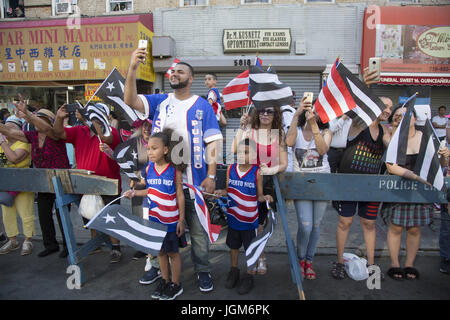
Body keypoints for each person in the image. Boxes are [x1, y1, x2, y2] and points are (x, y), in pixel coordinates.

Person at [124, 49, 223, 292]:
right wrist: (132, 69)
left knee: (198, 233)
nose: (175, 73)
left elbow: (214, 142)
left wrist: (211, 176)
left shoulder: (202, 106)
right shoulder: (161, 102)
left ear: (190, 79)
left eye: (181, 71)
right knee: (158, 230)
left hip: (194, 182)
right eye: (173, 71)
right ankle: (158, 269)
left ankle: (203, 270)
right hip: (162, 183)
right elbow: (130, 100)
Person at [30, 103, 123, 263]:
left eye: (94, 113)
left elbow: (106, 138)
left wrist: (93, 118)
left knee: (110, 217)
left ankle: (115, 248)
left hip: (108, 183)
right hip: (85, 183)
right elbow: (58, 133)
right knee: (89, 215)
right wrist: (59, 117)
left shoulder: (110, 131)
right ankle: (96, 244)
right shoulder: (80, 131)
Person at [382, 107, 449, 280]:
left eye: (406, 115)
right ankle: (395, 264)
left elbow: (437, 164)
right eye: (398, 115)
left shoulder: (425, 137)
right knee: (395, 226)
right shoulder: (392, 136)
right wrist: (415, 177)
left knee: (414, 228)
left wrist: (444, 156)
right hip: (398, 188)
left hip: (420, 190)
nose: (402, 118)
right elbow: (391, 165)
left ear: (414, 119)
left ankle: (410, 264)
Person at [331, 96, 392, 280]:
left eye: (390, 107)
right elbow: (357, 105)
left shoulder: (384, 130)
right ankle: (340, 262)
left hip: (371, 186)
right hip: (348, 183)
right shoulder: (359, 123)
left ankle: (372, 265)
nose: (388, 110)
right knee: (345, 223)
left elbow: (392, 146)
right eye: (384, 106)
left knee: (369, 224)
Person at [0, 102, 71, 258]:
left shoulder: (55, 134)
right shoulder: (31, 136)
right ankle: (50, 245)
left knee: (62, 215)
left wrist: (27, 113)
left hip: (61, 180)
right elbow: (8, 131)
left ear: (50, 122)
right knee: (44, 214)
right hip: (43, 181)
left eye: (42, 118)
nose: (37, 122)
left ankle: (68, 246)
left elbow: (46, 128)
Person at [124, 129, 185, 300]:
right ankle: (165, 281)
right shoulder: (149, 169)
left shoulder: (174, 170)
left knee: (173, 253)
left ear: (165, 150)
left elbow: (179, 195)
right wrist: (135, 193)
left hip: (171, 221)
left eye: (155, 148)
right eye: (149, 148)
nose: (150, 152)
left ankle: (175, 284)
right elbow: (151, 191)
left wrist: (181, 219)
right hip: (154, 221)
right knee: (160, 253)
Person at [232, 106, 288, 274]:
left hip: (268, 183)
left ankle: (261, 256)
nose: (265, 114)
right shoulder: (251, 130)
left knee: (261, 224)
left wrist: (270, 170)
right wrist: (241, 129)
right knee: (251, 224)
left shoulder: (279, 134)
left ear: (275, 114)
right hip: (248, 182)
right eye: (262, 110)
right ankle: (253, 257)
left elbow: (284, 163)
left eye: (269, 111)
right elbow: (235, 149)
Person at [215, 138, 273, 294]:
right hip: (233, 218)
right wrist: (222, 192)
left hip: (250, 220)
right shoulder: (231, 169)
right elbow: (228, 190)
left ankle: (249, 275)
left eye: (246, 152)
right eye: (239, 152)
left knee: (250, 249)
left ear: (254, 155)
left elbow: (259, 196)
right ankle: (234, 271)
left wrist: (266, 197)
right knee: (233, 247)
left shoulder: (256, 172)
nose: (242, 155)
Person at [285, 97, 332, 280]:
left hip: (321, 183)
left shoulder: (326, 131)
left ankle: (308, 261)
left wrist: (314, 126)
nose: (314, 112)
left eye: (318, 110)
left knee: (315, 225)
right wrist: (296, 113)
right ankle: (300, 258)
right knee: (305, 226)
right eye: (312, 108)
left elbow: (322, 150)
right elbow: (289, 143)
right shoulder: (296, 130)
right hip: (301, 184)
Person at [0, 115, 35, 256]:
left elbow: (14, 158)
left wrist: (2, 143)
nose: (6, 130)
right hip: (6, 183)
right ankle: (12, 239)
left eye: (10, 127)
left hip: (22, 182)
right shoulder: (4, 142)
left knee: (25, 211)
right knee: (7, 213)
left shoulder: (24, 144)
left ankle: (28, 240)